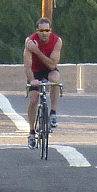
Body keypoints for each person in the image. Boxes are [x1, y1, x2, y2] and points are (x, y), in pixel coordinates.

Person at [24, 17, 62, 149]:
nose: (44, 33)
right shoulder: (29, 42)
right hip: (35, 72)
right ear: (37, 31)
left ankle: (53, 112)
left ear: (50, 30)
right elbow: (27, 66)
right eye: (41, 31)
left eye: (47, 30)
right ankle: (31, 132)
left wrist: (37, 51)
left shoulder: (56, 41)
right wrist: (32, 80)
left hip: (49, 69)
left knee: (55, 79)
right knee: (34, 100)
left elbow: (52, 64)